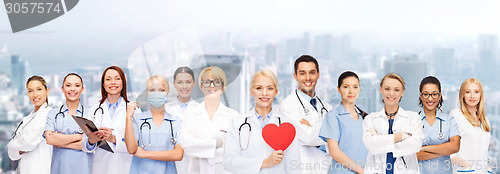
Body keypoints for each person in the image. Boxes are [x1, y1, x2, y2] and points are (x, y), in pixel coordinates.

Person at [224, 70, 300, 173]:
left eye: (270, 88)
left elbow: (293, 166)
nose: (264, 93)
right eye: (259, 88)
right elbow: (229, 161)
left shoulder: (287, 125)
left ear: (276, 91)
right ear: (252, 91)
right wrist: (264, 163)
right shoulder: (238, 124)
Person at [181, 66, 240, 174]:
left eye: (217, 82)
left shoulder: (233, 116)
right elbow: (188, 146)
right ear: (201, 86)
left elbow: (235, 151)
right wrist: (218, 143)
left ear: (223, 87)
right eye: (207, 82)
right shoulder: (191, 114)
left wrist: (200, 146)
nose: (212, 86)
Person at [279, 55, 333, 173]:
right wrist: (329, 137)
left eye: (312, 73)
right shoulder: (288, 105)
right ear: (295, 76)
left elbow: (339, 141)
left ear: (318, 75)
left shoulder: (327, 108)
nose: (308, 78)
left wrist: (314, 131)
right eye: (302, 73)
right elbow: (308, 137)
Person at [362, 73, 424, 174]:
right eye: (387, 89)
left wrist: (379, 139)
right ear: (380, 90)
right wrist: (401, 136)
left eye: (396, 90)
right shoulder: (370, 119)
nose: (391, 94)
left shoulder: (413, 118)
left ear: (402, 92)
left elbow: (415, 145)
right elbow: (371, 146)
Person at [124, 75, 184, 173]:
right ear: (147, 93)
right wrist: (128, 116)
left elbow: (178, 154)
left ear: (167, 93)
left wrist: (145, 154)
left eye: (161, 90)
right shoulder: (137, 119)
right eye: (152, 90)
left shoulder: (175, 121)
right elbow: (131, 149)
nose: (157, 93)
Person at [82, 66, 134, 174]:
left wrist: (113, 139)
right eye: (108, 79)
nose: (113, 82)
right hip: (101, 168)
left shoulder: (133, 109)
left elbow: (136, 145)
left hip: (125, 167)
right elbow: (85, 146)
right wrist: (91, 140)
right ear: (103, 84)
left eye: (117, 78)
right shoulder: (94, 109)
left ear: (123, 83)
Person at [319, 71, 369, 174]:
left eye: (355, 87)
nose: (351, 91)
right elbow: (334, 151)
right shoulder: (333, 116)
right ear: (338, 89)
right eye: (346, 87)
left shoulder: (365, 118)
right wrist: (361, 171)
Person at [44, 73, 93, 174]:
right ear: (62, 89)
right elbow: (50, 139)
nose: (72, 89)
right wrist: (80, 137)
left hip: (84, 169)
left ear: (82, 89)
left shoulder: (91, 114)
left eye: (77, 85)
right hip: (60, 168)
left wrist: (60, 142)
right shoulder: (53, 114)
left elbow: (91, 145)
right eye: (68, 85)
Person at [7, 75, 53, 174]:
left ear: (47, 91)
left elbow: (27, 143)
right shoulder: (28, 118)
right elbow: (11, 154)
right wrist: (17, 148)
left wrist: (11, 145)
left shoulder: (47, 115)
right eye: (30, 91)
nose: (35, 94)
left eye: (39, 89)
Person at [416, 76, 460, 173]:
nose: (430, 98)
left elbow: (455, 147)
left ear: (439, 96)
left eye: (434, 94)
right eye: (426, 94)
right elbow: (413, 154)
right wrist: (444, 150)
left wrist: (424, 148)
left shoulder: (449, 120)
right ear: (421, 96)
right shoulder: (413, 121)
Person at [449, 78, 491, 174]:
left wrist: (487, 168)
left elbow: (484, 151)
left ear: (481, 95)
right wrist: (466, 165)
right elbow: (449, 150)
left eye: (476, 92)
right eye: (468, 92)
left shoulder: (485, 121)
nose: (472, 96)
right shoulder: (456, 115)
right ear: (462, 95)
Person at [166, 66, 200, 174]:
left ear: (194, 83)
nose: (184, 86)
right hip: (170, 164)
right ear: (174, 84)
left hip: (195, 163)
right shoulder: (166, 109)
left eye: (188, 82)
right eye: (180, 82)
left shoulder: (201, 110)